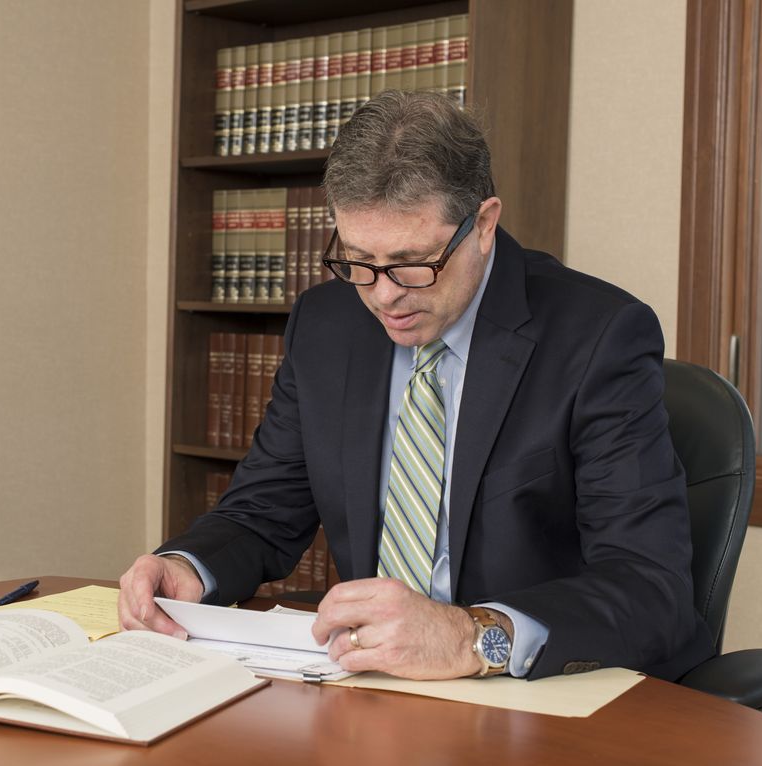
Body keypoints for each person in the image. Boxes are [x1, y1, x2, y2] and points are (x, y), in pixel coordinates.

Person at [119, 90, 713, 681]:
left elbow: (649, 586)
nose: (384, 296)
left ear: (483, 224)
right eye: (358, 260)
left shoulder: (598, 337)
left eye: (412, 264)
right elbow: (263, 511)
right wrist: (188, 566)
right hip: (372, 686)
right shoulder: (327, 326)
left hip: (540, 695)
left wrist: (468, 636)